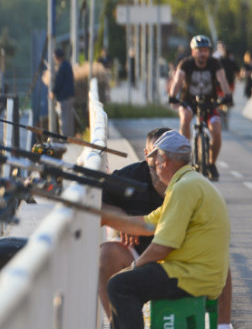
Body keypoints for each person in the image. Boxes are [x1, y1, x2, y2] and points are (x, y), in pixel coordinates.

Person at [99, 127, 233, 327]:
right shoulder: (190, 182)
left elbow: (163, 246)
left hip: (190, 275)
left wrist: (135, 267)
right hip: (195, 271)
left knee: (120, 285)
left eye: (157, 161)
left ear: (165, 161)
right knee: (125, 282)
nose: (154, 166)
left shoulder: (184, 189)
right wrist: (100, 215)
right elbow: (146, 223)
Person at [167, 35, 233, 181]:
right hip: (188, 102)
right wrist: (172, 96)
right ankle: (185, 152)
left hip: (209, 102)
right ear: (193, 52)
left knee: (216, 130)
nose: (203, 54)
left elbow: (222, 79)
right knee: (185, 118)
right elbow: (178, 80)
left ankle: (211, 164)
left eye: (205, 50)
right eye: (199, 51)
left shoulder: (214, 63)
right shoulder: (186, 64)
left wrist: (227, 95)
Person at [51, 48, 75, 137]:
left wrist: (53, 92)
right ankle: (70, 138)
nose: (54, 60)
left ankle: (64, 138)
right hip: (70, 96)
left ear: (57, 57)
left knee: (64, 119)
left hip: (63, 97)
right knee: (69, 119)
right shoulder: (68, 65)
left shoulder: (61, 68)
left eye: (54, 58)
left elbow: (58, 82)